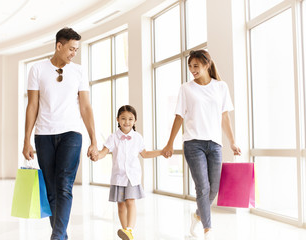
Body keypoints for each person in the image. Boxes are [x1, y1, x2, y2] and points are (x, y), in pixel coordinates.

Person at [22, 27, 98, 240]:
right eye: (71, 49)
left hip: (71, 134)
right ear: (59, 46)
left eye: (76, 49)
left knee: (64, 186)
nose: (74, 53)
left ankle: (56, 237)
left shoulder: (79, 71)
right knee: (51, 190)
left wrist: (94, 139)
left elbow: (85, 107)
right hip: (44, 135)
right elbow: (32, 106)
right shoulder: (37, 69)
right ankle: (61, 234)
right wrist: (26, 140)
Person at [161, 50, 241, 240]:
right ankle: (207, 229)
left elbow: (225, 117)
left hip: (215, 144)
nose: (192, 70)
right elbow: (179, 116)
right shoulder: (186, 88)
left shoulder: (221, 87)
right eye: (190, 66)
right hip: (193, 143)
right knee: (202, 187)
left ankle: (198, 214)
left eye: (196, 66)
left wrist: (232, 142)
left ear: (206, 65)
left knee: (214, 188)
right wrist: (169, 143)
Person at [92, 105, 161, 240]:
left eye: (130, 119)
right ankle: (125, 233)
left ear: (135, 121)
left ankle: (129, 229)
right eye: (123, 118)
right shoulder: (113, 137)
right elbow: (103, 152)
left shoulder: (137, 137)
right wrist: (96, 156)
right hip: (118, 176)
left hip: (132, 176)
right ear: (117, 119)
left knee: (130, 201)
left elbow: (145, 154)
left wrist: (161, 152)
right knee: (121, 205)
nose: (127, 122)